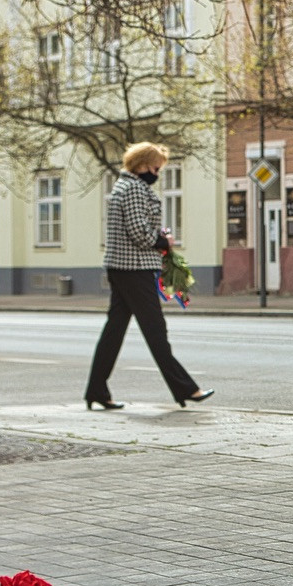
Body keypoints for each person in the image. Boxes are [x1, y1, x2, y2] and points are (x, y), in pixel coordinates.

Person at [85, 142, 213, 411]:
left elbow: (137, 226)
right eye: (155, 168)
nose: (156, 174)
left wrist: (158, 236)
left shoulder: (125, 186)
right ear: (142, 165)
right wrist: (163, 241)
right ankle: (185, 388)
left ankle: (96, 390)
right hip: (134, 269)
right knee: (155, 330)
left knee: (114, 331)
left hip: (124, 267)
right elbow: (139, 232)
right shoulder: (133, 188)